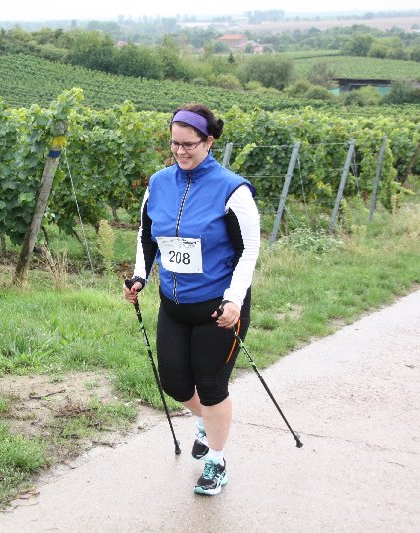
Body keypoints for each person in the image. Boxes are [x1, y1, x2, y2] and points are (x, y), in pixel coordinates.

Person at [123, 104, 260, 496]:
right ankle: (207, 420)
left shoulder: (233, 190)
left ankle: (216, 461)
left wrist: (234, 300)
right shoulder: (159, 183)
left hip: (219, 308)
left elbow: (249, 250)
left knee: (211, 385)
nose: (180, 151)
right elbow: (146, 234)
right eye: (174, 144)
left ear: (209, 141)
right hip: (174, 305)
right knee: (174, 382)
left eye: (189, 144)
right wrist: (139, 275)